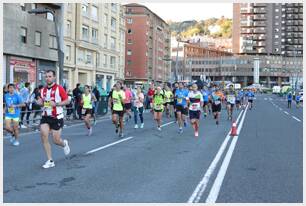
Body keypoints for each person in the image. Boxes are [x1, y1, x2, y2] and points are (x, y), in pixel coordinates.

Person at [36, 70, 71, 169]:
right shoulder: (42, 90)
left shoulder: (59, 89)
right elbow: (42, 102)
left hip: (57, 117)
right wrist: (40, 102)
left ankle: (64, 144)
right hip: (46, 116)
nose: (48, 78)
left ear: (54, 77)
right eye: (46, 76)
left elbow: (67, 101)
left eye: (50, 76)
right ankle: (50, 160)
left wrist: (56, 104)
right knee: (43, 135)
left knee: (56, 140)